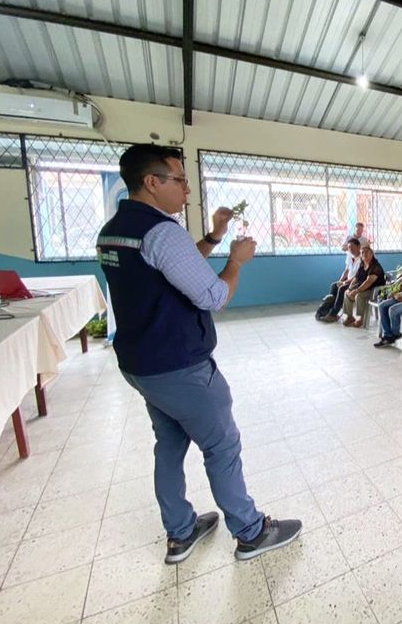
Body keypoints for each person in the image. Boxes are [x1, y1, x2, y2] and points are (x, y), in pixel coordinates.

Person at [97, 144, 300, 564]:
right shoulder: (162, 231)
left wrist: (214, 237)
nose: (187, 190)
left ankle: (181, 531)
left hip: (141, 364)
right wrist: (236, 262)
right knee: (221, 445)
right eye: (180, 180)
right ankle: (250, 532)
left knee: (169, 445)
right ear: (152, 182)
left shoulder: (114, 230)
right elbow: (212, 295)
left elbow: (172, 267)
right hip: (180, 365)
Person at [319, 237, 361, 322]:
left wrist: (344, 282)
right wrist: (340, 280)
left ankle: (333, 314)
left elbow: (358, 276)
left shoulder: (362, 259)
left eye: (352, 247)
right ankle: (328, 309)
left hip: (356, 282)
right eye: (349, 248)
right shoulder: (351, 258)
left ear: (358, 247)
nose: (350, 249)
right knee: (334, 285)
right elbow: (346, 270)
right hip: (348, 281)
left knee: (342, 289)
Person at [342, 245, 385, 327]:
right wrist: (350, 288)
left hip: (374, 291)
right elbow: (356, 278)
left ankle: (361, 319)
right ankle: (349, 317)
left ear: (371, 254)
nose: (364, 254)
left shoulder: (376, 266)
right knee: (346, 292)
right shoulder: (362, 265)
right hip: (363, 288)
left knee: (359, 296)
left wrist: (356, 290)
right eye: (362, 252)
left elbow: (369, 282)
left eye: (367, 252)